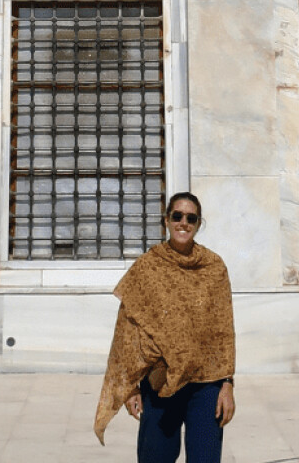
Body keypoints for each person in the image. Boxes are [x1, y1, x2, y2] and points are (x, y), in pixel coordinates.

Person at [94, 191, 236, 462]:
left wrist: (227, 384)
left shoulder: (214, 267)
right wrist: (131, 387)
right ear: (167, 221)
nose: (184, 223)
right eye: (177, 216)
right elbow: (128, 329)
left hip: (205, 385)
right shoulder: (148, 267)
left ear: (198, 223)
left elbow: (224, 332)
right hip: (161, 380)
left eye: (191, 218)